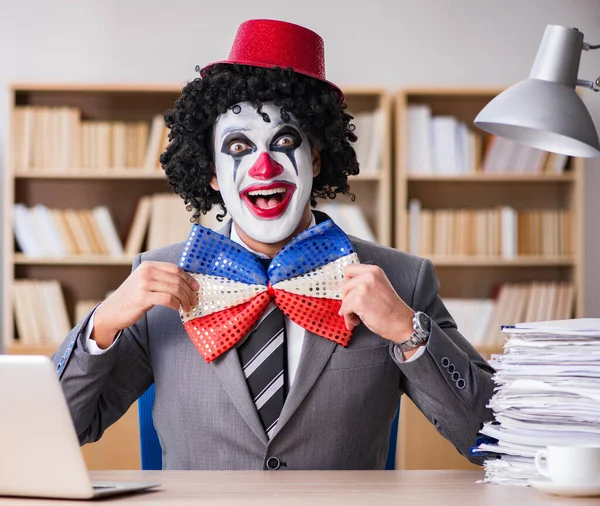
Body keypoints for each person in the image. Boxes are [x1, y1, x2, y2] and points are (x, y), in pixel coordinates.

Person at [53, 19, 495, 470]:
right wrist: (102, 324)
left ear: (316, 159)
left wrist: (408, 330)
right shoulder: (158, 283)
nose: (263, 167)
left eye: (284, 141)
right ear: (211, 173)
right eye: (239, 147)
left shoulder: (401, 280)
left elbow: (491, 438)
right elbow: (56, 432)